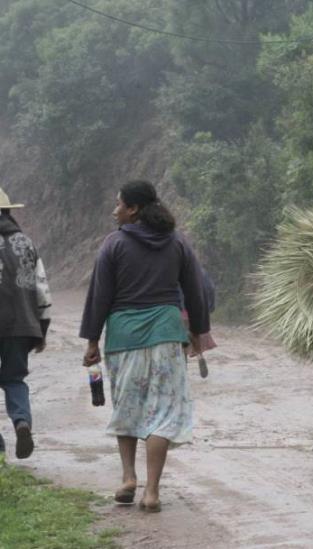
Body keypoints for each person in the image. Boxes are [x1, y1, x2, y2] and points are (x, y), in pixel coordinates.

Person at [80, 180, 209, 512]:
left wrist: (92, 339)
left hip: (125, 337)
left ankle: (127, 478)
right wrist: (198, 332)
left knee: (128, 406)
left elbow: (99, 297)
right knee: (162, 414)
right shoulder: (177, 242)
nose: (115, 210)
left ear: (133, 209)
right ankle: (152, 492)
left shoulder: (113, 245)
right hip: (167, 335)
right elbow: (195, 291)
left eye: (119, 204)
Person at [0, 187, 51, 460]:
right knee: (14, 379)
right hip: (20, 325)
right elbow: (42, 290)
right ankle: (21, 422)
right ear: (8, 212)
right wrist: (41, 329)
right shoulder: (25, 243)